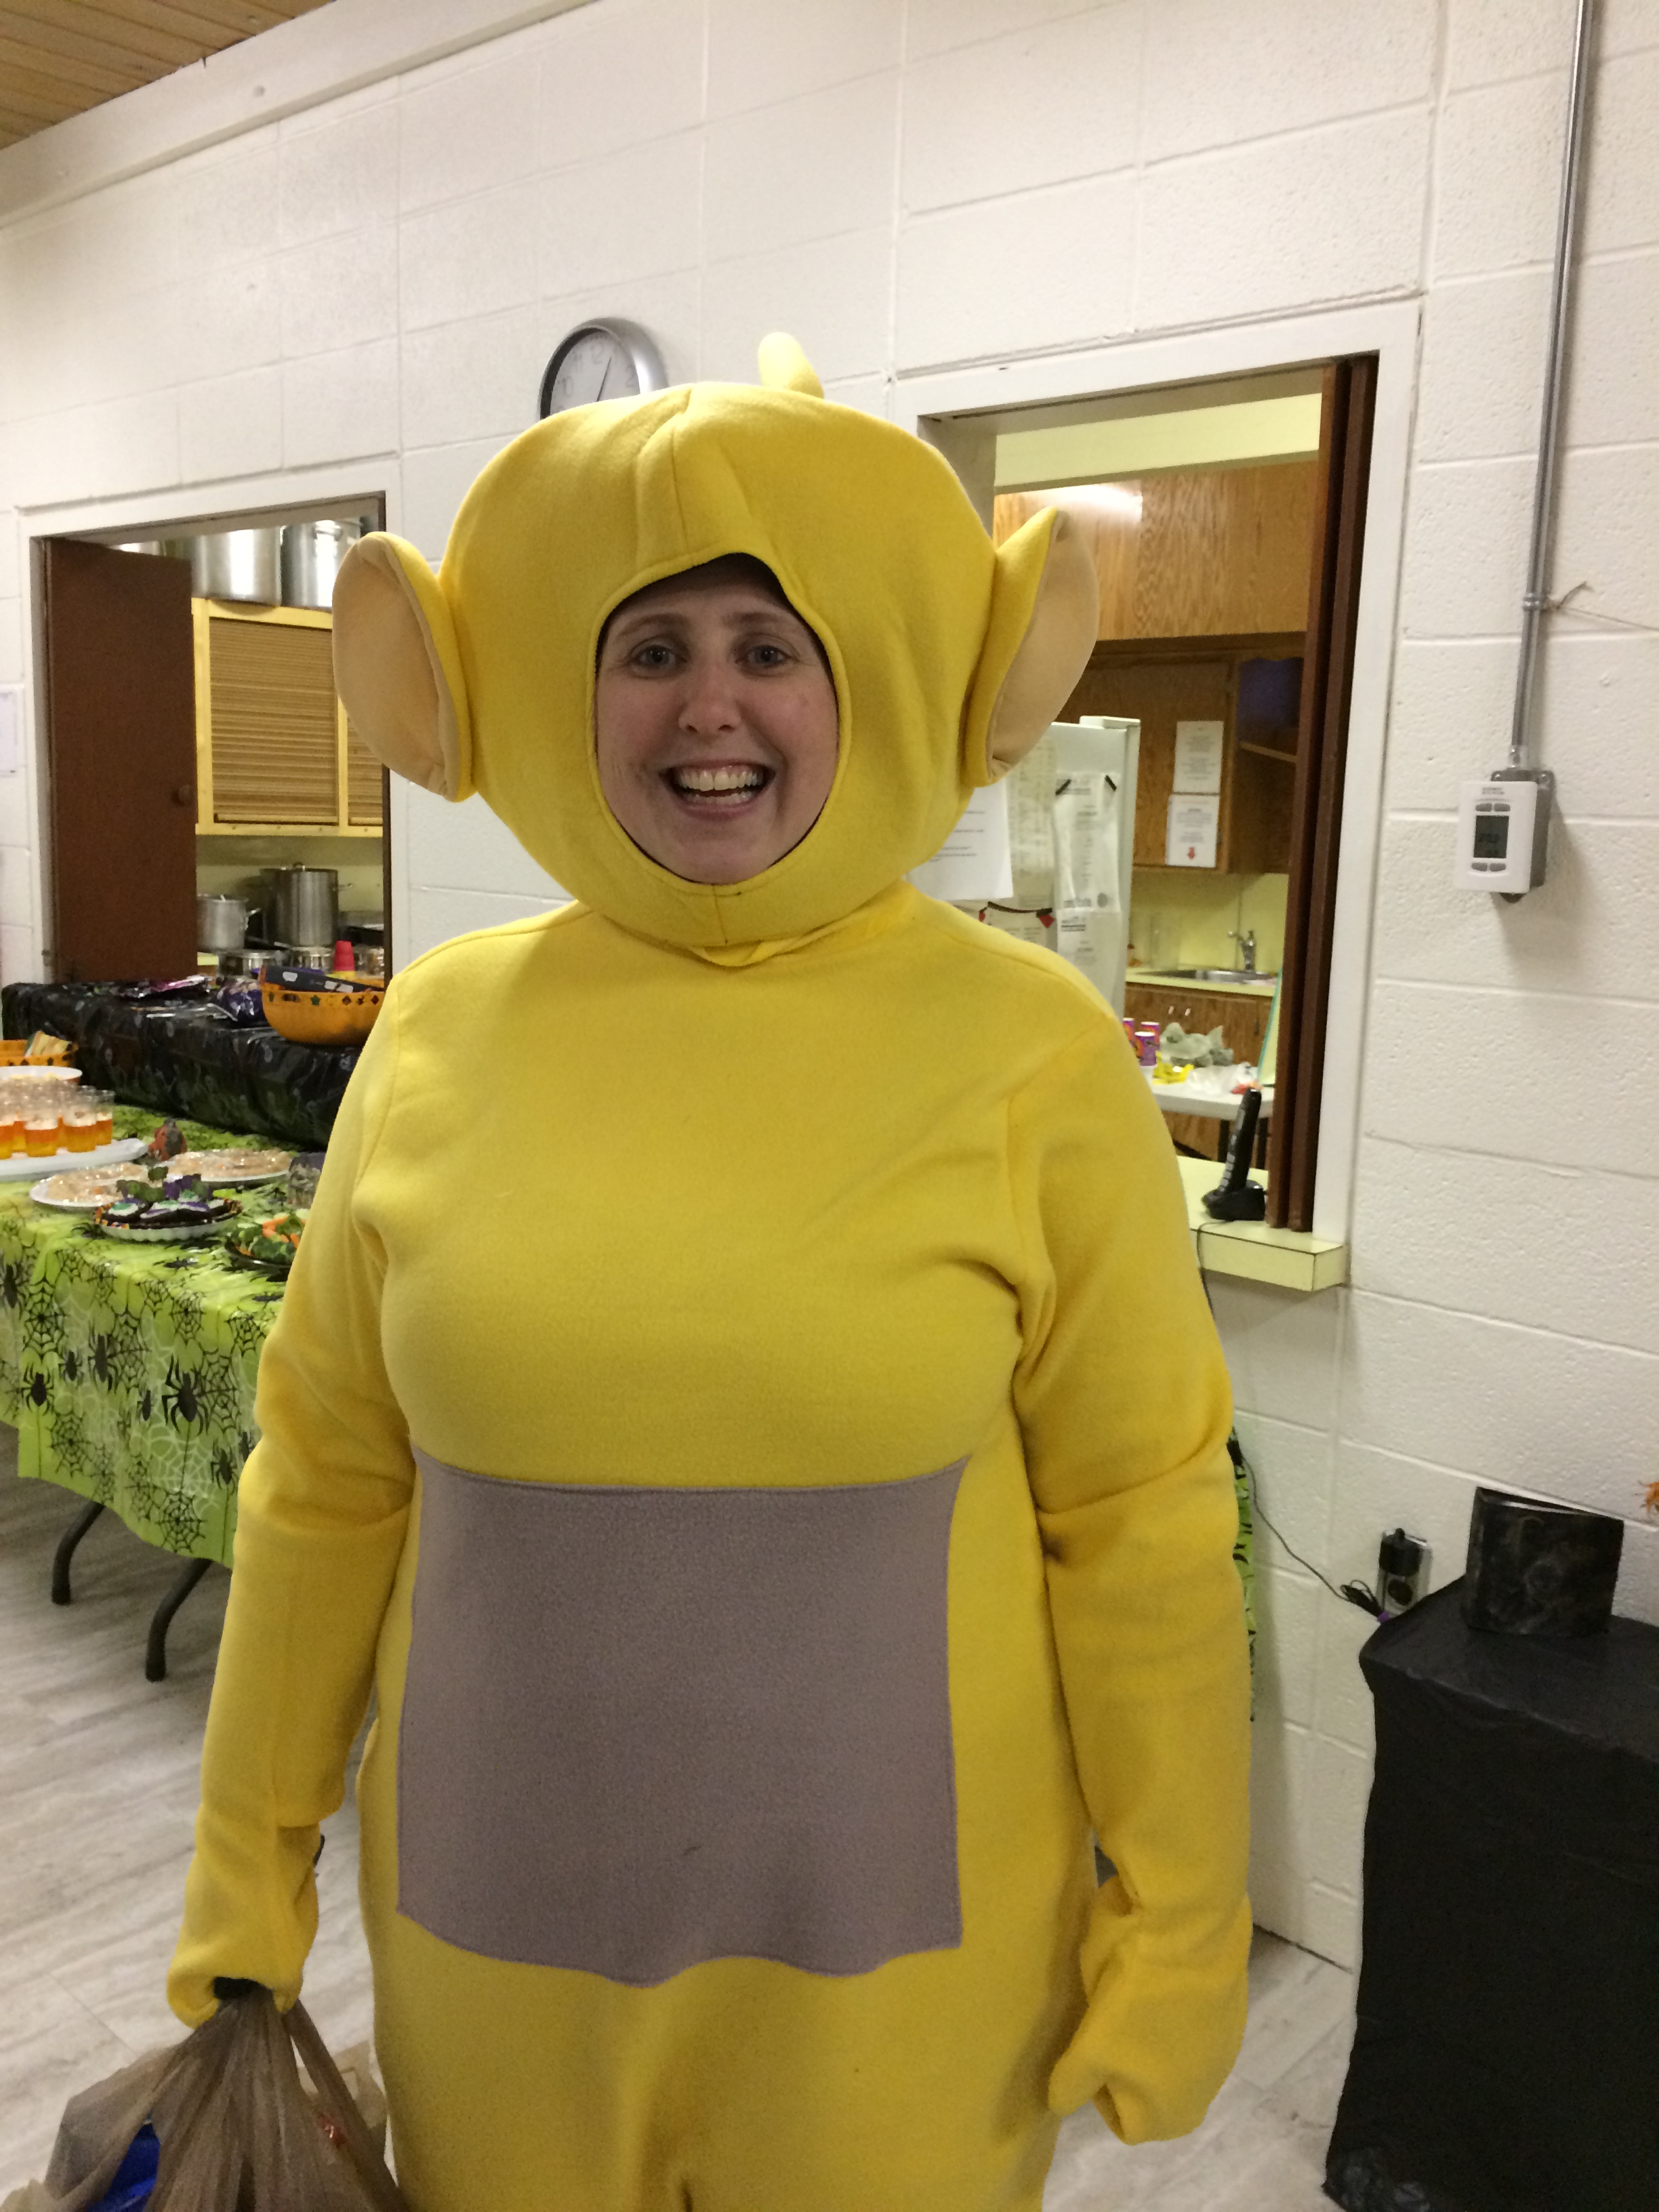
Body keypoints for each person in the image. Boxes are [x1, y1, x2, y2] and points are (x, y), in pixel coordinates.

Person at [169, 336, 1251, 2211]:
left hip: (904, 1988)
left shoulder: (1032, 1054)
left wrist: (1180, 1919)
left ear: (876, 680)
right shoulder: (438, 1033)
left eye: (769, 646)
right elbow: (326, 1490)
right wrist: (245, 1865)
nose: (709, 708)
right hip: (496, 1963)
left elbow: (1141, 1522)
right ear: (557, 689)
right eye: (649, 649)